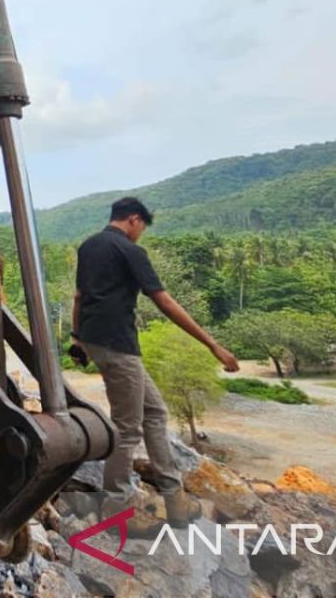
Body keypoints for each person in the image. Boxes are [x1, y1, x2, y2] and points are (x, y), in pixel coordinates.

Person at [70, 197, 239, 535]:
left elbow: (78, 296)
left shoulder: (89, 246)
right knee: (128, 427)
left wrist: (76, 339)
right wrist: (212, 345)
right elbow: (164, 301)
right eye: (142, 228)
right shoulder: (130, 251)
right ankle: (117, 508)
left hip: (95, 339)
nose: (140, 234)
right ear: (134, 220)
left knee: (156, 412)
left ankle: (174, 497)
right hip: (118, 345)